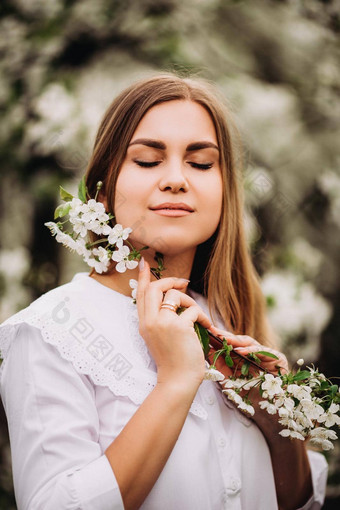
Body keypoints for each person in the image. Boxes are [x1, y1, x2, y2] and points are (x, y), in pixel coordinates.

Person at [0, 73, 328, 510]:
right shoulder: (51, 331)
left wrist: (276, 422)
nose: (176, 179)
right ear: (104, 183)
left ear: (225, 186)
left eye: (201, 163)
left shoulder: (234, 324)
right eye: (148, 160)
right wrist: (174, 383)